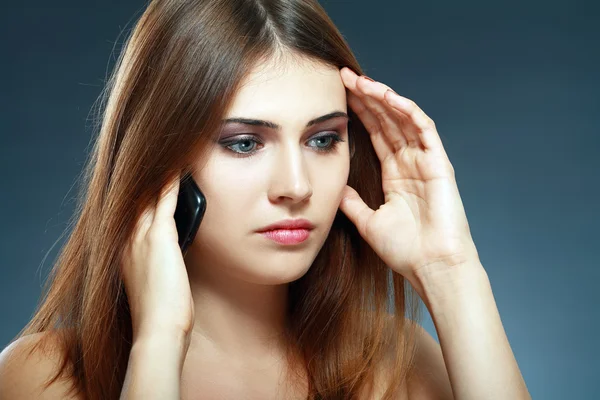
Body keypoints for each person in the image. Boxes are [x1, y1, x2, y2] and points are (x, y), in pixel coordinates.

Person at [0, 0, 531, 399]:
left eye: (323, 139)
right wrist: (158, 342)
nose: (296, 186)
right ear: (160, 159)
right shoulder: (40, 378)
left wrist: (450, 271)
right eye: (245, 143)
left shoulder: (399, 362)